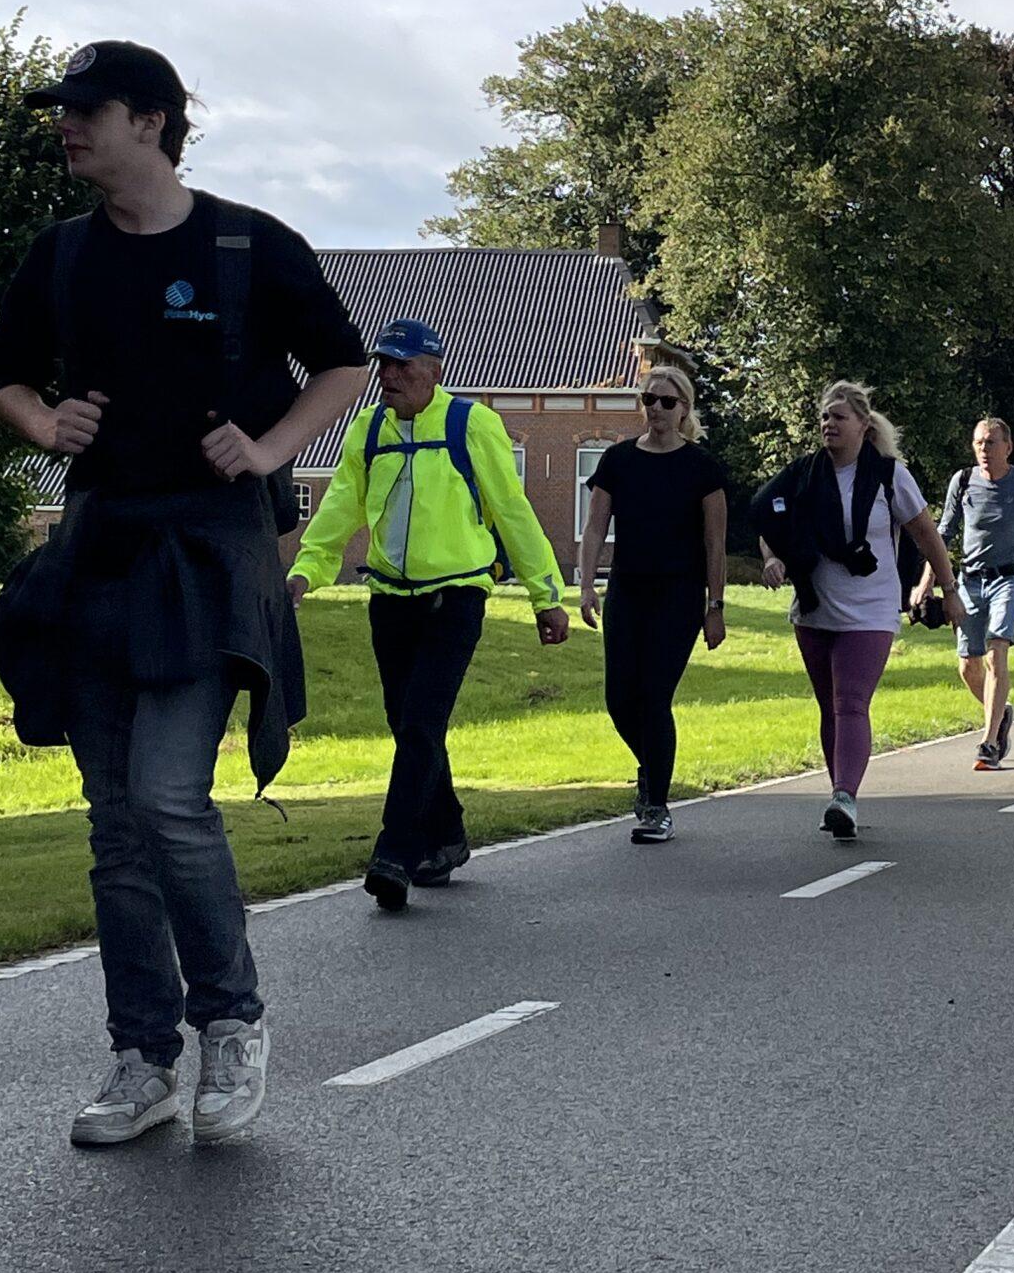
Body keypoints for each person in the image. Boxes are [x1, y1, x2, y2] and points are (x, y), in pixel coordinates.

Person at [0, 40, 369, 1147]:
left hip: (208, 552)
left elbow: (342, 363)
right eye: (62, 110)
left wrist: (273, 446)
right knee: (114, 826)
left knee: (166, 799)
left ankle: (232, 1019)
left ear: (151, 121)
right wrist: (42, 421)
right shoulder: (62, 255)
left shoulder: (246, 244)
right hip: (100, 547)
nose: (66, 126)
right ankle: (142, 1058)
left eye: (86, 109)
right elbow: (0, 373)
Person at [289, 318, 570, 904]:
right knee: (407, 724)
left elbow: (512, 510)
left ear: (433, 370)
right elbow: (340, 506)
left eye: (402, 364)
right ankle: (447, 835)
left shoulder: (471, 424)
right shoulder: (368, 430)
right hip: (390, 599)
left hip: (457, 597)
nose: (388, 375)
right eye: (383, 364)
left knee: (420, 723)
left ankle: (395, 852)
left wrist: (547, 596)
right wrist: (307, 571)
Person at [755, 381, 962, 839]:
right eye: (824, 416)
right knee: (829, 707)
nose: (828, 424)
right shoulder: (804, 473)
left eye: (839, 417)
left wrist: (948, 589)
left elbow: (926, 534)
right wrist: (771, 558)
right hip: (814, 608)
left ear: (863, 425)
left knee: (850, 703)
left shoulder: (889, 475)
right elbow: (769, 517)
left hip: (871, 611)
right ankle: (841, 797)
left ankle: (844, 795)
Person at [576, 363, 728, 844]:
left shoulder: (701, 467)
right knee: (620, 699)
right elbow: (595, 527)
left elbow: (714, 544)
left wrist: (716, 606)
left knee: (655, 696)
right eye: (649, 400)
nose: (656, 409)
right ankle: (652, 766)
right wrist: (586, 585)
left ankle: (656, 806)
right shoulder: (618, 460)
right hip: (628, 590)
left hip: (679, 595)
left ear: (684, 409)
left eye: (666, 401)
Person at [935, 416, 1014, 772]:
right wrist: (927, 582)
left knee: (996, 651)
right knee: (967, 666)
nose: (984, 449)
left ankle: (989, 743)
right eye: (978, 442)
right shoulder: (962, 481)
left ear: (1008, 447)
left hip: (1009, 577)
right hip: (969, 580)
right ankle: (1001, 714)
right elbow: (943, 533)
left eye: (991, 442)